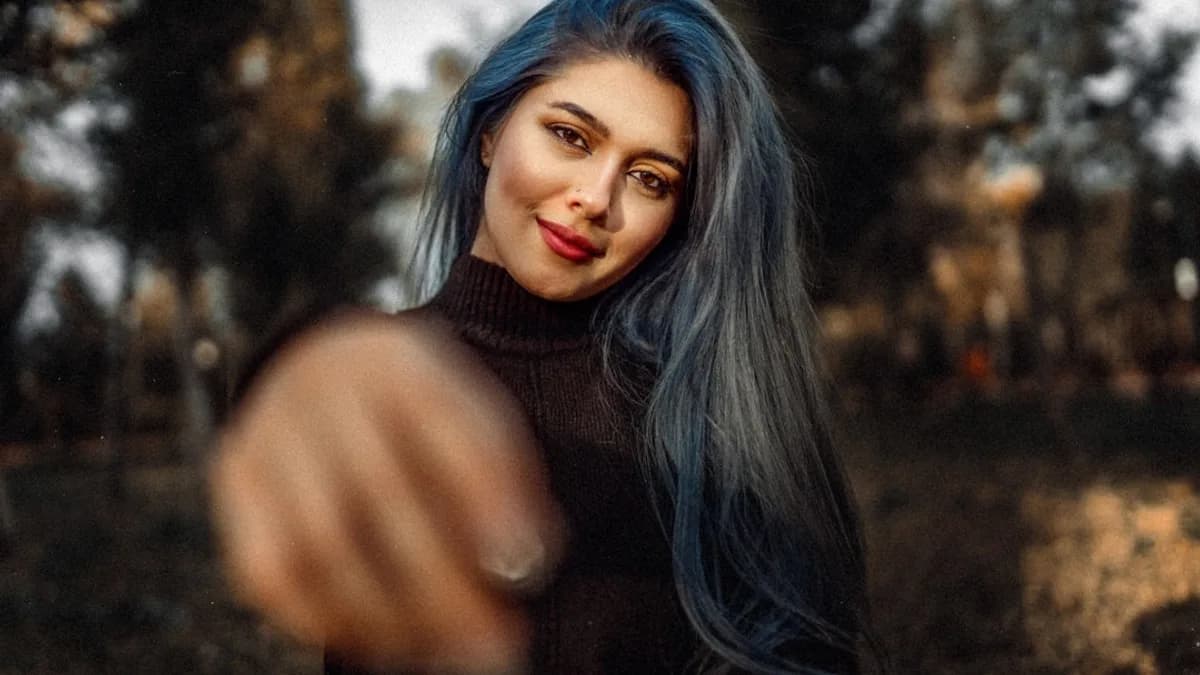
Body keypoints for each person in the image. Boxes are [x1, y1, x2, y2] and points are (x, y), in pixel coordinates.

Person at [210, 0, 876, 672]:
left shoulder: (705, 417)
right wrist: (301, 371)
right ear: (492, 130)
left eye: (650, 178)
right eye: (571, 136)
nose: (595, 196)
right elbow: (299, 406)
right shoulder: (380, 374)